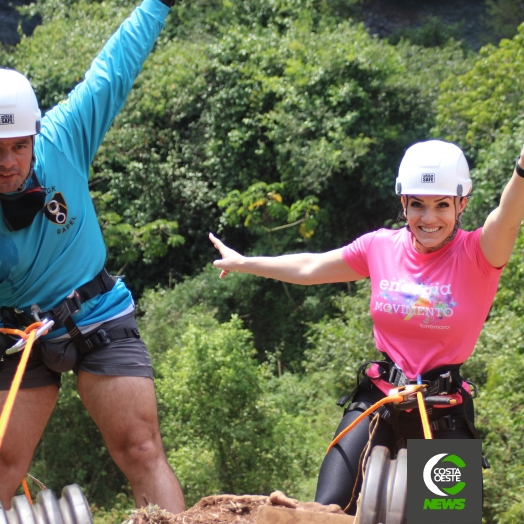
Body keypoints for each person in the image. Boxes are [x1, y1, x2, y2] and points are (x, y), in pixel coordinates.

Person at [209, 139, 524, 513]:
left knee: (446, 519)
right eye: (417, 205)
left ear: (462, 204)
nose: (429, 218)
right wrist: (246, 262)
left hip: (444, 406)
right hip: (380, 396)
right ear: (403, 203)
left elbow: (508, 213)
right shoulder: (380, 247)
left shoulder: (480, 253)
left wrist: (521, 167)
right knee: (325, 509)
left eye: (442, 205)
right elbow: (311, 267)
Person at [0, 0, 185, 513]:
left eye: (19, 147)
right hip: (17, 336)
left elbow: (114, 66)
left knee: (141, 447)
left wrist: (158, 4)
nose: (8, 163)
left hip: (95, 311)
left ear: (36, 134)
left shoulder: (65, 136)